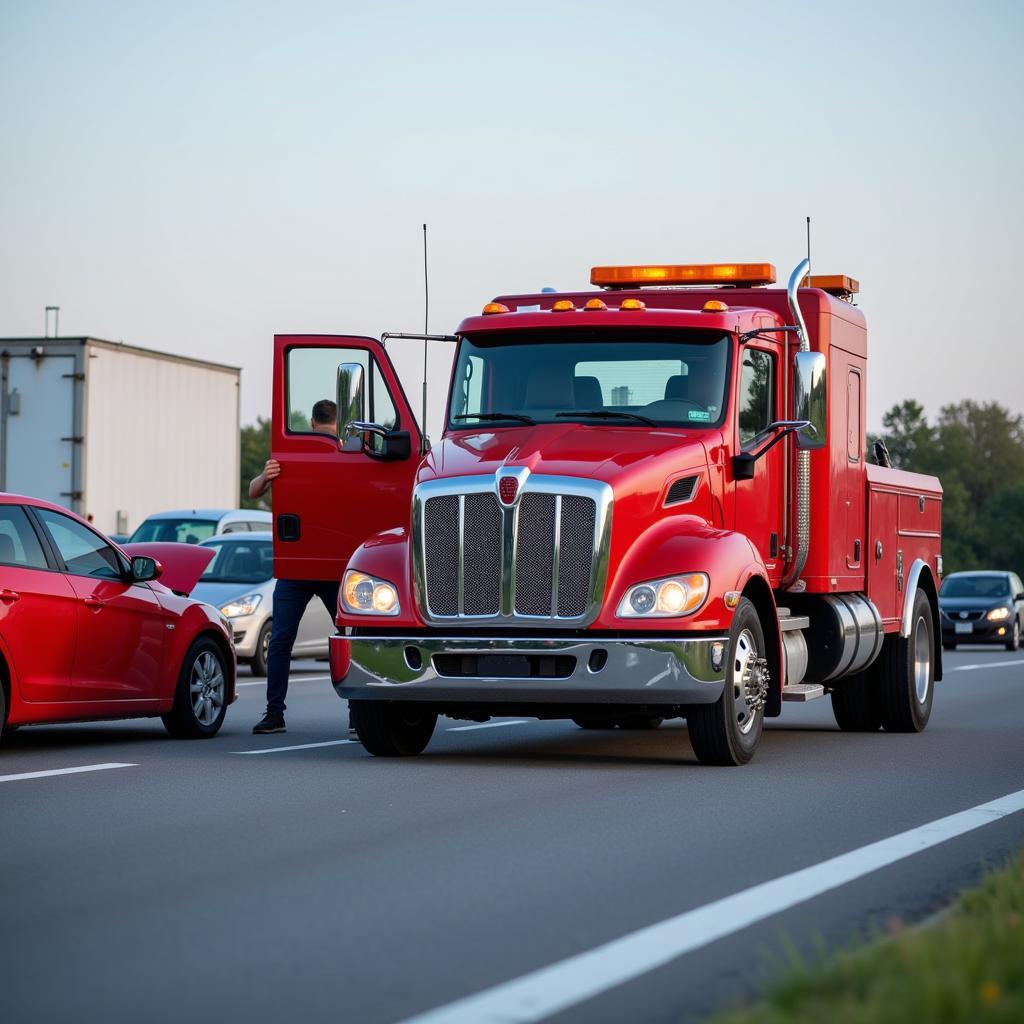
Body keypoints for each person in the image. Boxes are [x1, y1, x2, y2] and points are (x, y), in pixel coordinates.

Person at [250, 399, 346, 735]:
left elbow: (253, 490)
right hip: (336, 565)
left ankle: (274, 714)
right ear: (340, 421)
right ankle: (358, 716)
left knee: (280, 642)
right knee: (351, 638)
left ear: (310, 420)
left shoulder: (293, 455)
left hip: (297, 561)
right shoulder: (350, 453)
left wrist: (265, 475)